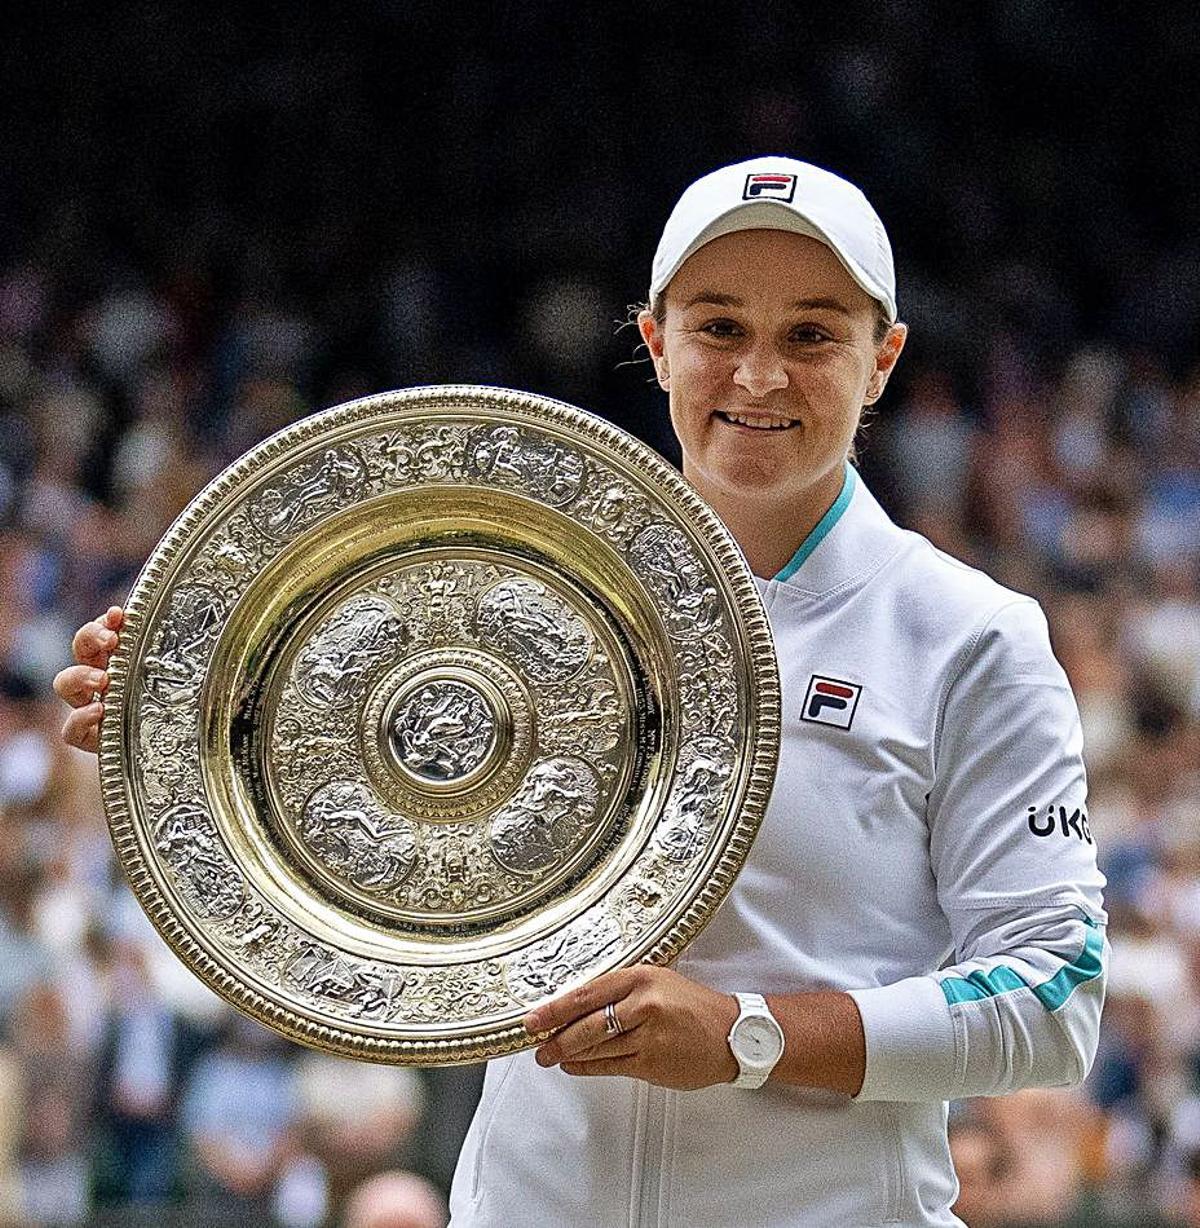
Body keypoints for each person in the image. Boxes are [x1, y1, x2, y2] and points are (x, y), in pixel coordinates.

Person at [54, 156, 1108, 1226]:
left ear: (882, 361)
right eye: (720, 328)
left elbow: (1053, 995)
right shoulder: (510, 584)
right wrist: (190, 722)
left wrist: (750, 1034)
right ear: (656, 343)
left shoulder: (970, 638)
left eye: (812, 334)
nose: (757, 377)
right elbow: (380, 815)